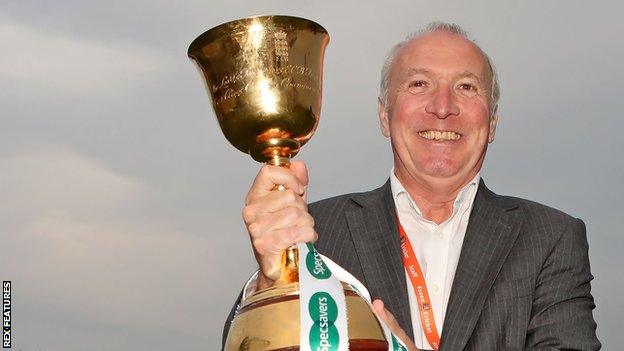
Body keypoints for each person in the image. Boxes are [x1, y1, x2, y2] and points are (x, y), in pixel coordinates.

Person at [224, 22, 601, 350]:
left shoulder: (550, 238)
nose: (442, 106)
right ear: (384, 116)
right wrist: (272, 278)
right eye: (419, 84)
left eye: (467, 87)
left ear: (493, 123)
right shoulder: (315, 232)